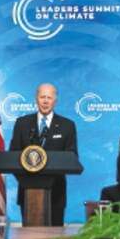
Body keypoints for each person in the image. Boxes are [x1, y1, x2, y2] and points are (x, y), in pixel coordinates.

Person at [9, 83, 80, 226]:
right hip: (27, 192)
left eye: (49, 97)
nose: (45, 101)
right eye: (42, 97)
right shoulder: (22, 123)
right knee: (29, 237)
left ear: (55, 101)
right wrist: (26, 179)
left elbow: (72, 157)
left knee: (54, 237)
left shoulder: (67, 125)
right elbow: (13, 156)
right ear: (36, 99)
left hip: (56, 193)